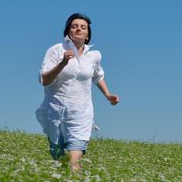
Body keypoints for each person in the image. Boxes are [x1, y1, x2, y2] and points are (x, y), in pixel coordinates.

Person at [35, 13, 120, 171]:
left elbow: (98, 76)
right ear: (68, 31)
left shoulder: (94, 55)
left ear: (88, 34)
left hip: (81, 113)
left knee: (73, 160)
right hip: (55, 111)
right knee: (59, 159)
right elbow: (44, 80)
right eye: (74, 26)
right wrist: (63, 63)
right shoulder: (56, 50)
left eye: (83, 27)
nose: (78, 29)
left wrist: (108, 95)